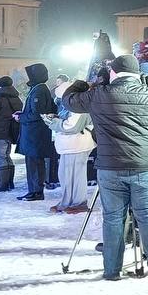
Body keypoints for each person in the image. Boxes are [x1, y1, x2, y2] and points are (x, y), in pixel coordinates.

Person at [63, 55, 148, 280]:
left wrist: (83, 83)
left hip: (110, 167)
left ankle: (112, 270)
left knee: (114, 218)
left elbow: (68, 100)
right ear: (137, 74)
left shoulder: (98, 94)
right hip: (145, 166)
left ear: (113, 73)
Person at [43, 82, 94, 213]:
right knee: (66, 175)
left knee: (75, 176)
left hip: (78, 144)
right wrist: (57, 118)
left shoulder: (79, 105)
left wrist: (53, 122)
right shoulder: (74, 103)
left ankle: (78, 202)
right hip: (71, 144)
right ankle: (67, 202)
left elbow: (72, 126)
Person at [14, 63, 56, 201]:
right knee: (32, 163)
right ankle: (33, 190)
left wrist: (20, 117)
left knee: (35, 163)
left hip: (35, 134)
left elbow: (38, 114)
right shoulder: (39, 88)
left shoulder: (39, 90)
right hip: (33, 134)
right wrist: (23, 113)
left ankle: (36, 191)